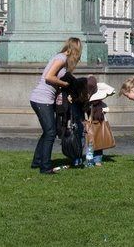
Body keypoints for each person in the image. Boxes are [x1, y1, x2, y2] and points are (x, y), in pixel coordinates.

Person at [29, 37, 82, 174]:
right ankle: (45, 167)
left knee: (47, 131)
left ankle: (38, 161)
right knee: (51, 133)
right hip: (42, 99)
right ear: (73, 49)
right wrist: (65, 84)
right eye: (78, 50)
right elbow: (49, 77)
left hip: (44, 99)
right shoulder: (61, 59)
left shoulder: (62, 60)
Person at [85, 82, 116, 166]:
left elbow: (107, 109)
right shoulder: (89, 105)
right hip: (92, 125)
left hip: (99, 124)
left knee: (97, 143)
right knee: (92, 144)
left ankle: (96, 160)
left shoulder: (99, 104)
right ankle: (92, 160)